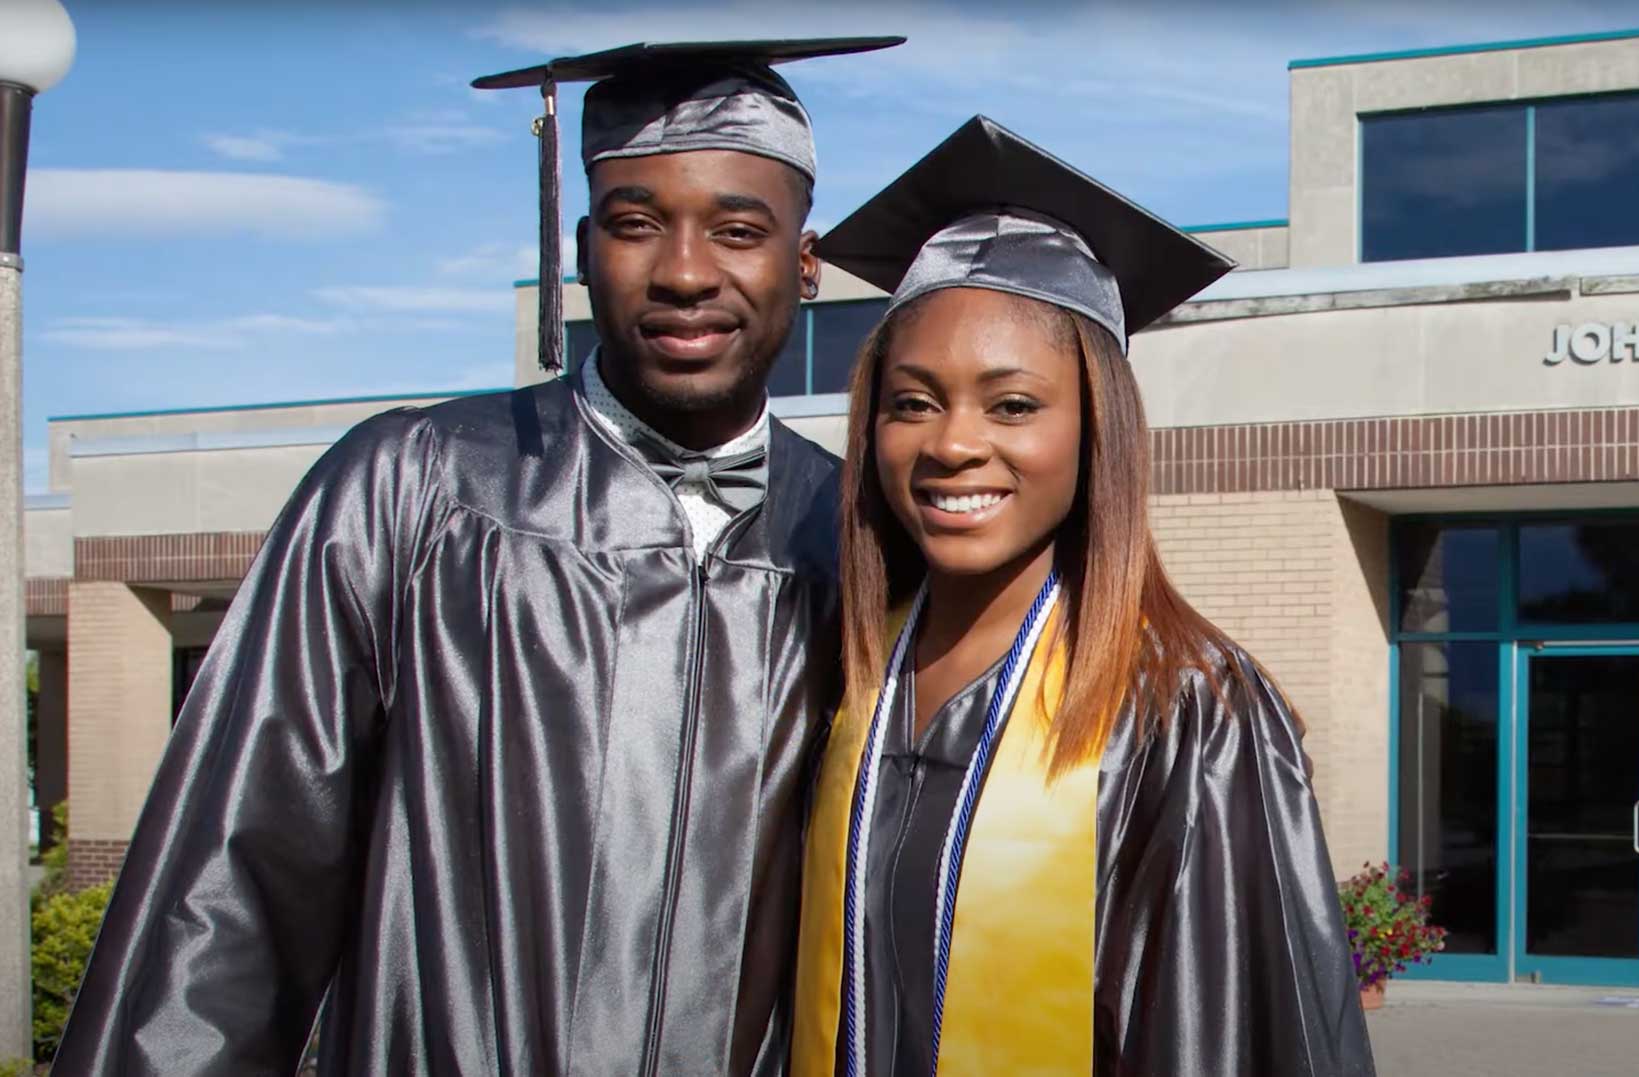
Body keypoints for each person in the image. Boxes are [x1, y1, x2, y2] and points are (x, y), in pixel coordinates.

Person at [53, 37, 899, 1076]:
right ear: (583, 246)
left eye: (737, 230)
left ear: (801, 263)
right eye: (636, 226)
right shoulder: (413, 491)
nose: (685, 272)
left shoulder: (860, 535)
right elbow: (235, 890)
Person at [791, 116, 1376, 1076]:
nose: (952, 443)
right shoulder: (843, 669)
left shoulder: (1189, 706)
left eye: (1013, 403)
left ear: (1094, 425)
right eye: (913, 400)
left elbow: (1230, 1037)